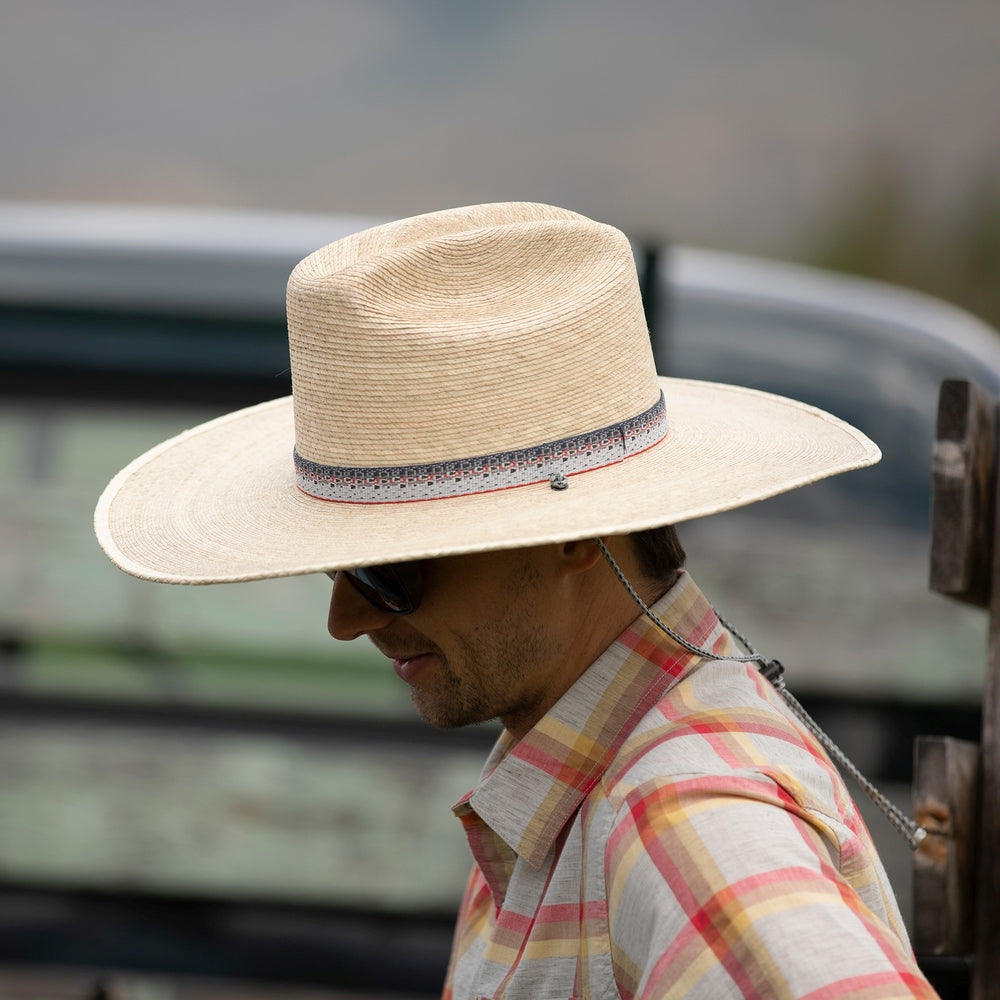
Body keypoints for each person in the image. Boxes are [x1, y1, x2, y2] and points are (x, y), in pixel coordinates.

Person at [95, 202, 937, 998]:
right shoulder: (591, 777)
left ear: (576, 534)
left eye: (391, 572)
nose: (346, 621)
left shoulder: (679, 813)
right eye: (340, 571)